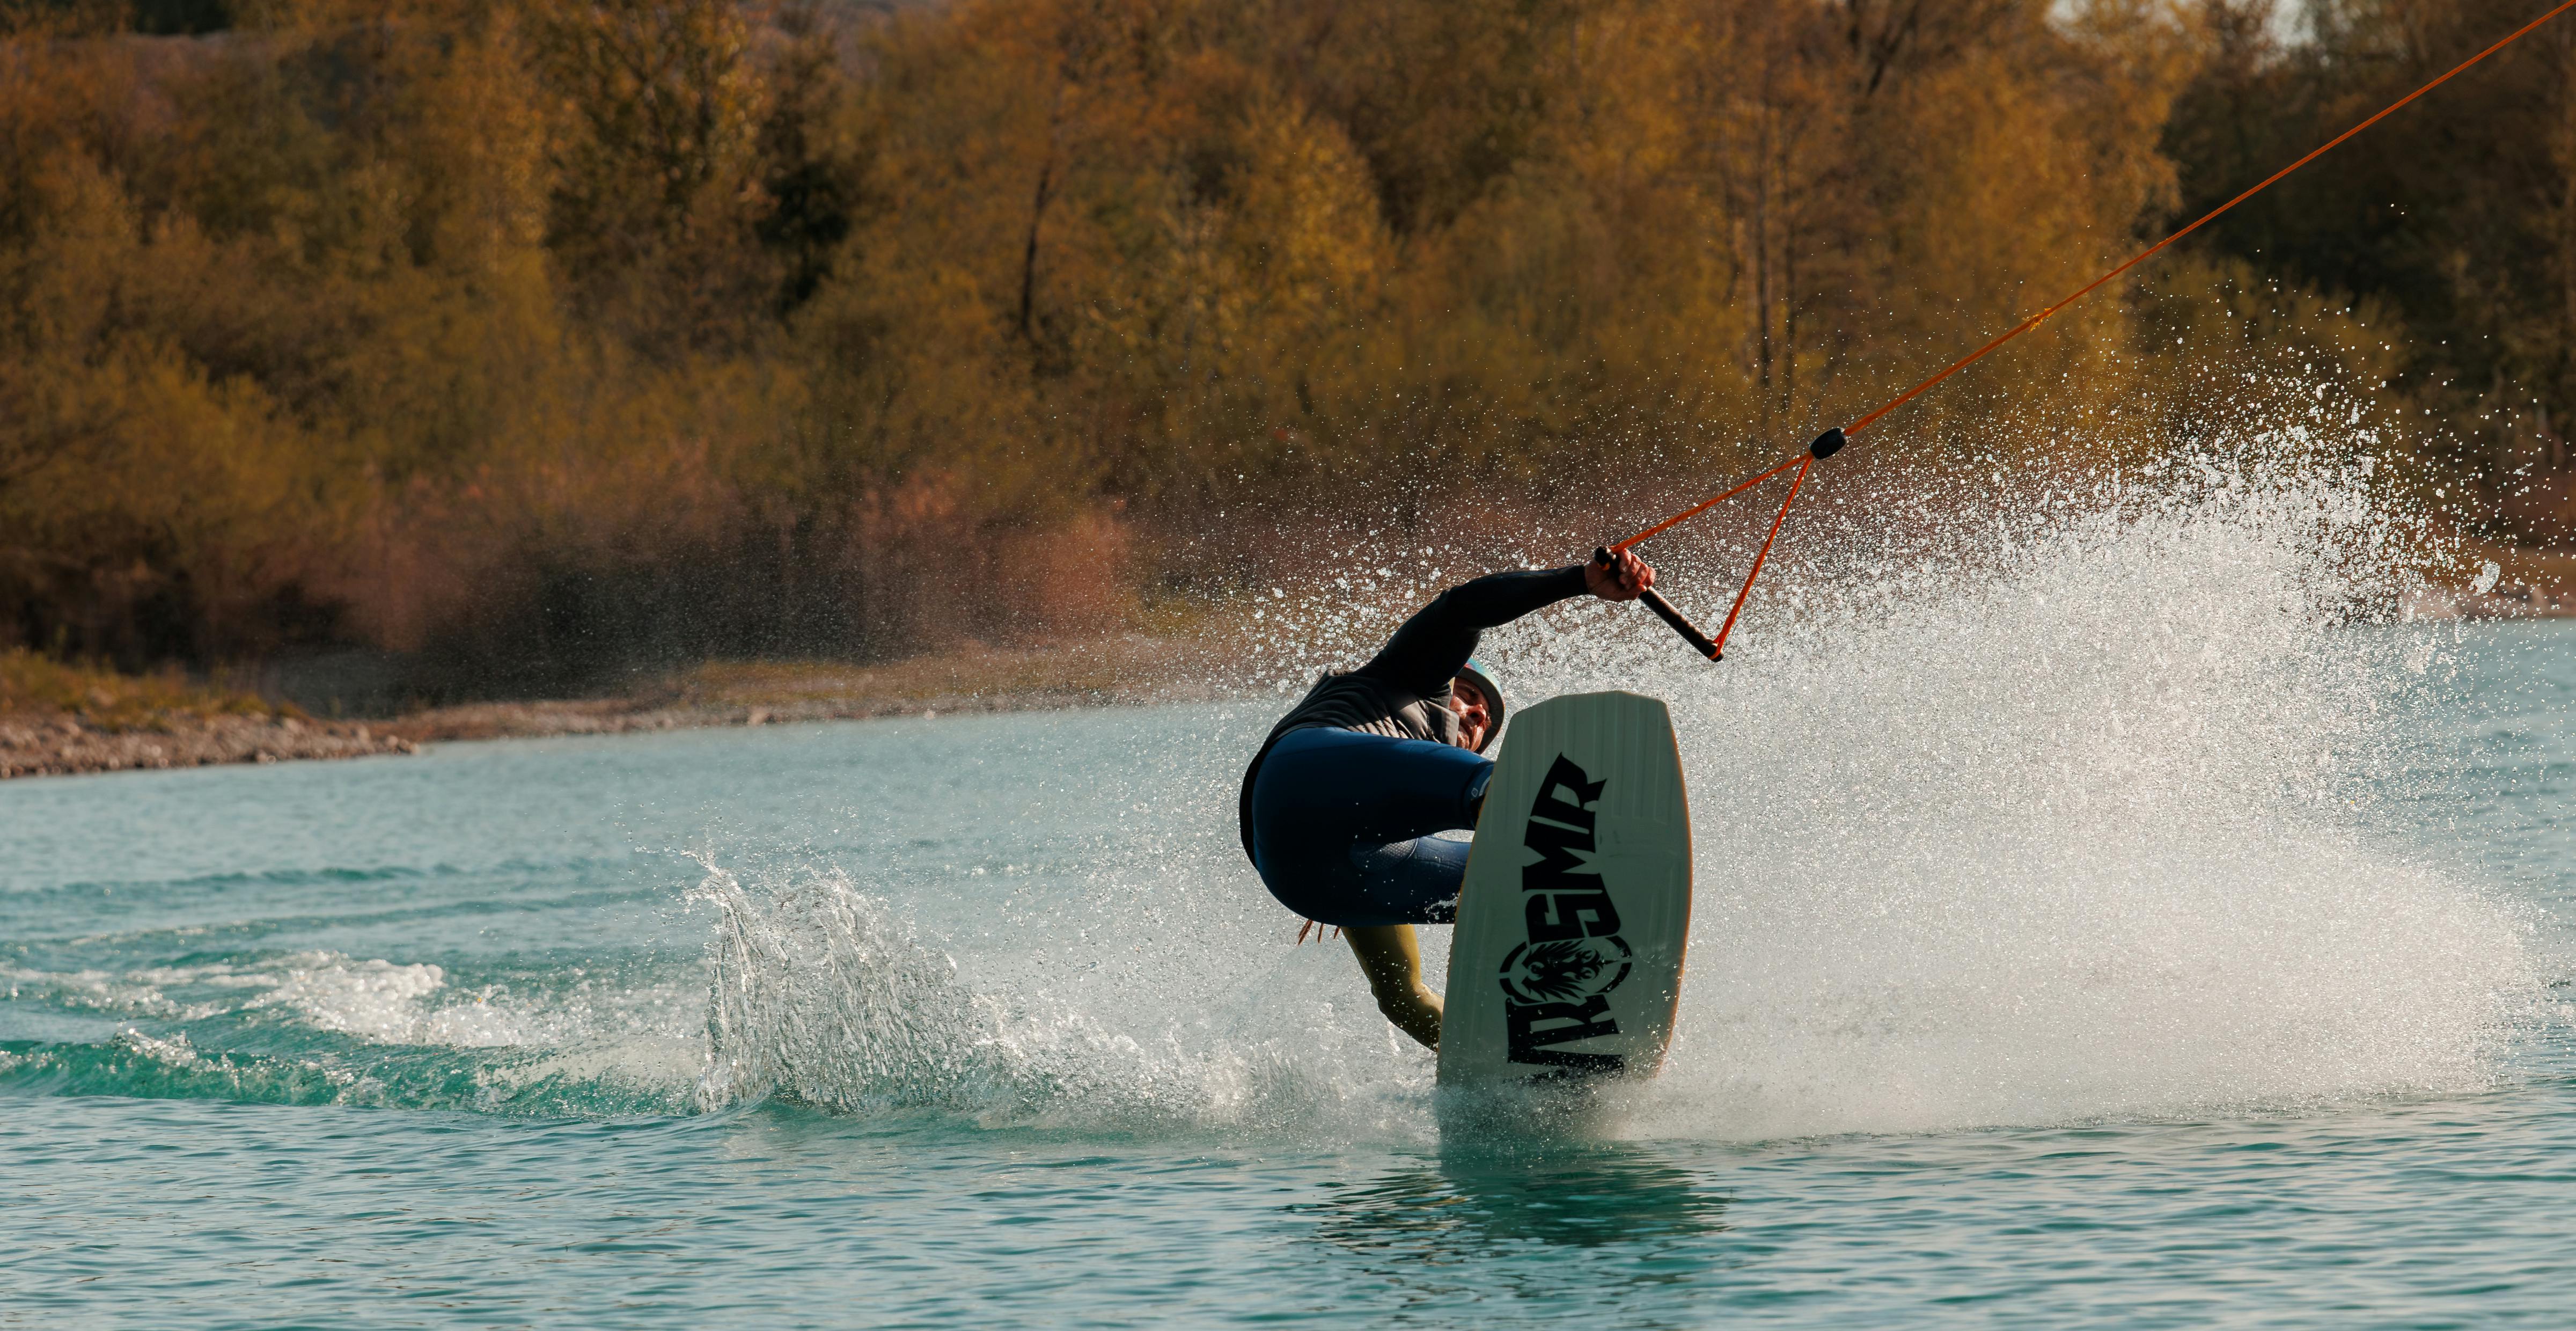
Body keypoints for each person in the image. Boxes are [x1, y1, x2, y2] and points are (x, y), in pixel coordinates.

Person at [1238, 548, 1657, 1050]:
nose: (1479, 719)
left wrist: (1483, 1062)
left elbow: (1405, 999)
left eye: (1487, 724)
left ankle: (1538, 1022)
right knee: (1509, 789)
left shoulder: (1404, 820)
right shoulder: (1407, 678)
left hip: (1322, 882)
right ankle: (1546, 821)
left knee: (1513, 886)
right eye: (1473, 699)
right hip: (1300, 778)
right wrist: (1580, 580)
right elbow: (1462, 607)